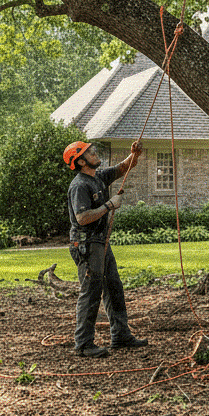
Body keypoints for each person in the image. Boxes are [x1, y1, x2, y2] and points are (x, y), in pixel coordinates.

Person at [63, 140, 149, 358]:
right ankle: (83, 344)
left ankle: (120, 336)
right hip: (86, 244)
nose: (95, 152)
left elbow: (123, 168)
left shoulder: (98, 177)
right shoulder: (79, 185)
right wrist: (109, 205)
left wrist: (134, 155)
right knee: (91, 292)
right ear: (81, 161)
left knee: (113, 287)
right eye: (89, 152)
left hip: (100, 242)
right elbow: (82, 218)